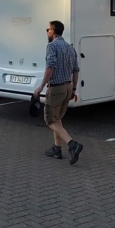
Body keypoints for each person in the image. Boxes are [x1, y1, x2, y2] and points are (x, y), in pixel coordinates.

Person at [32, 20, 83, 165]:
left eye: (47, 29)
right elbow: (76, 70)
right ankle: (56, 149)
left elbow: (50, 67)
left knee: (50, 120)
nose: (47, 31)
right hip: (67, 87)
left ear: (53, 31)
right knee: (58, 118)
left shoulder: (52, 46)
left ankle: (72, 144)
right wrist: (73, 89)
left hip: (56, 88)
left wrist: (41, 86)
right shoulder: (70, 48)